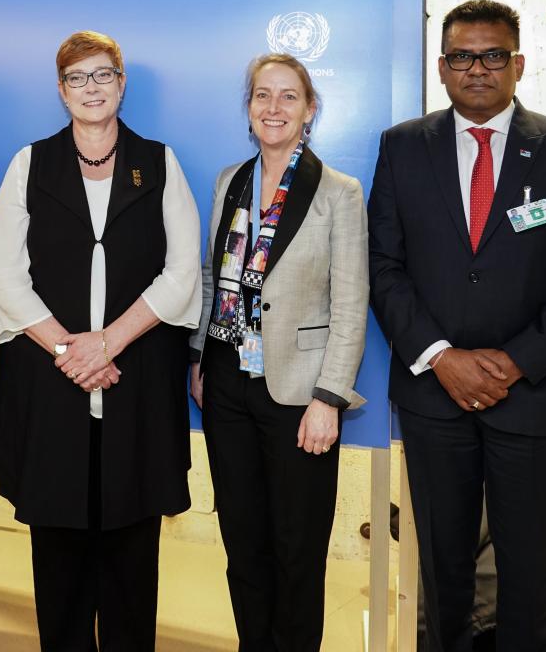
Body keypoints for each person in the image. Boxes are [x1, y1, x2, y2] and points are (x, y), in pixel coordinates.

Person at [368, 0, 546, 652]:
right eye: (461, 56)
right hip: (434, 396)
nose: (475, 68)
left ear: (518, 64)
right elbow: (382, 265)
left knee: (530, 577)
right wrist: (440, 355)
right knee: (443, 571)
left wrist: (513, 362)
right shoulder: (403, 147)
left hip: (532, 399)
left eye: (491, 56)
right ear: (441, 67)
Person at [0, 30, 202, 650]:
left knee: (133, 551)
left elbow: (183, 271)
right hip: (51, 383)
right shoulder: (30, 163)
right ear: (60, 90)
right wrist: (69, 350)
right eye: (77, 78)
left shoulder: (160, 161)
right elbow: (5, 274)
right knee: (58, 554)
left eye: (103, 74)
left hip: (135, 379)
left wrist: (106, 343)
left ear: (122, 82)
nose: (91, 88)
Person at [188, 53, 369, 652]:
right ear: (248, 108)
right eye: (262, 95)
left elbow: (350, 302)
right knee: (243, 542)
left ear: (310, 109)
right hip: (227, 385)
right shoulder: (228, 181)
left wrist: (329, 398)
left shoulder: (338, 193)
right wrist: (198, 358)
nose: (274, 108)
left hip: (301, 393)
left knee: (298, 548)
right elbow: (214, 278)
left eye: (288, 96)